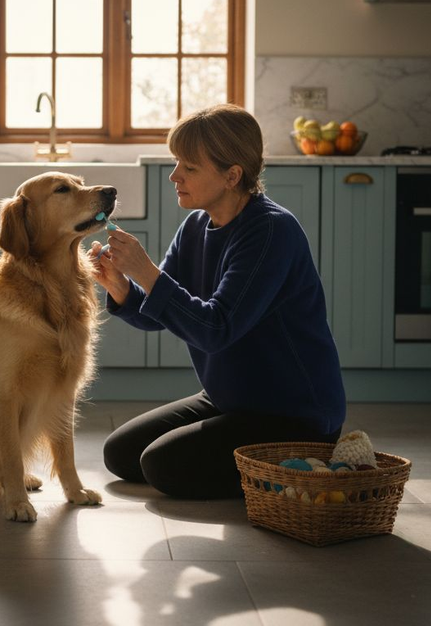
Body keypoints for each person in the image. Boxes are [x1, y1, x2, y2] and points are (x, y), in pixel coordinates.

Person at [89, 104, 346, 499]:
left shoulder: (270, 231)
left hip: (294, 415)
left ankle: (306, 465)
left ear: (232, 175)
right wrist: (122, 287)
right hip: (231, 400)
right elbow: (164, 314)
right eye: (177, 163)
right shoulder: (196, 225)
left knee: (163, 465)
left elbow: (215, 329)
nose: (174, 176)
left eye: (189, 167)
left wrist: (145, 271)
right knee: (121, 454)